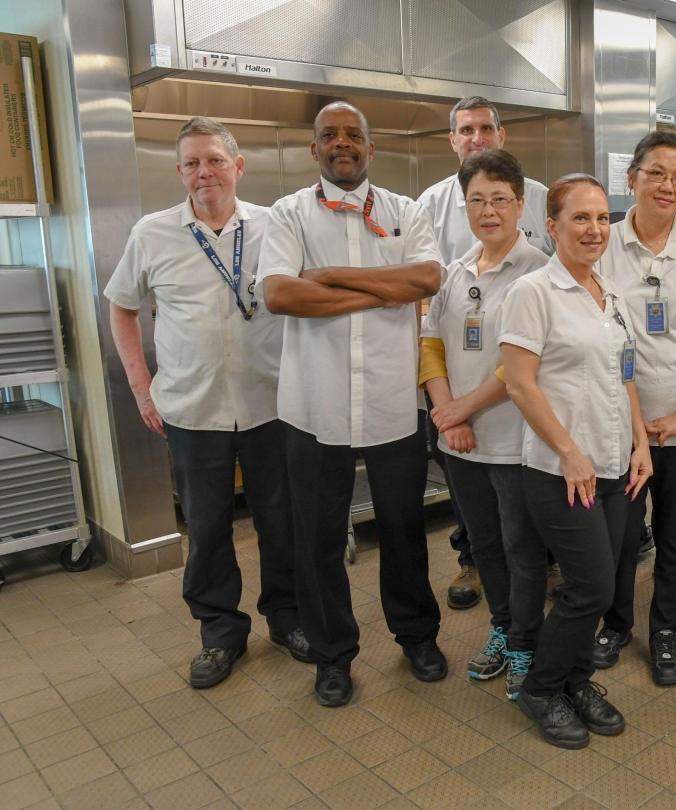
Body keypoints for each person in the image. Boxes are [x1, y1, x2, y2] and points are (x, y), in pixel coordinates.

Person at [105, 116, 308, 690]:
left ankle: (288, 619)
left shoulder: (275, 226)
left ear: (238, 166)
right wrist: (143, 388)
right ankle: (221, 634)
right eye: (192, 163)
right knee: (209, 526)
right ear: (179, 172)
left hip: (272, 404)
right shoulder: (152, 233)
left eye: (215, 160)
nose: (204, 173)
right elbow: (121, 305)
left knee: (280, 523)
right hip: (192, 410)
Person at [258, 102, 444, 708]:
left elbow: (425, 282)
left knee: (403, 528)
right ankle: (332, 655)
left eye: (353, 135)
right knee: (315, 538)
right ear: (314, 149)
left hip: (393, 401)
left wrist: (332, 277)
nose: (343, 143)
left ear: (370, 147)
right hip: (314, 406)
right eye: (330, 135)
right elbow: (282, 294)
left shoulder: (404, 211)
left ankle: (416, 636)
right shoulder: (287, 214)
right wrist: (380, 291)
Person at [500, 174, 653, 748]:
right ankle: (541, 689)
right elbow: (519, 385)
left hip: (616, 466)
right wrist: (568, 451)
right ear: (552, 225)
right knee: (586, 586)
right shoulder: (533, 292)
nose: (594, 229)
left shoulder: (610, 295)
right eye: (580, 219)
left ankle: (577, 680)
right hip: (561, 471)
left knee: (611, 585)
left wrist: (641, 443)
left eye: (601, 219)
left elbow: (627, 374)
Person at [595, 132, 676, 685]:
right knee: (621, 532)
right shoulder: (604, 239)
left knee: (675, 533)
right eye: (656, 173)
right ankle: (617, 622)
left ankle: (666, 629)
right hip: (616, 417)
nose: (668, 186)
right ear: (631, 179)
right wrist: (633, 422)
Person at [419, 149, 549, 701]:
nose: (488, 210)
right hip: (462, 444)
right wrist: (448, 415)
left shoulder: (542, 270)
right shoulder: (455, 271)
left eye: (500, 199)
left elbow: (523, 362)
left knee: (524, 548)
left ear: (520, 205)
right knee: (486, 547)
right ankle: (502, 627)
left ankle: (526, 643)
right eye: (477, 200)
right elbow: (429, 344)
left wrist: (463, 408)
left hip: (517, 441)